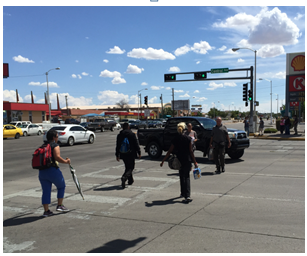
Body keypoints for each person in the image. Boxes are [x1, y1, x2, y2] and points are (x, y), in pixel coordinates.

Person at [160, 122, 198, 203]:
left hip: (179, 160)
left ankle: (182, 192)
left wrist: (163, 160)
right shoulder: (188, 138)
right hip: (187, 159)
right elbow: (191, 151)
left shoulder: (175, 138)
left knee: (181, 176)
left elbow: (170, 150)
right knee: (187, 177)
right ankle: (187, 195)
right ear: (184, 129)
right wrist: (195, 162)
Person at [39, 129, 71, 217]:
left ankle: (46, 211)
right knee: (61, 186)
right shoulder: (55, 145)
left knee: (46, 191)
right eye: (57, 136)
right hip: (52, 170)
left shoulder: (43, 146)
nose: (58, 138)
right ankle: (60, 205)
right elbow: (57, 157)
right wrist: (66, 161)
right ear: (53, 138)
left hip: (42, 172)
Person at [116, 122, 141, 189]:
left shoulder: (119, 135)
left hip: (123, 153)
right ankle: (124, 177)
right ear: (128, 127)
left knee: (127, 167)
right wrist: (139, 152)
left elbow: (118, 146)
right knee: (131, 167)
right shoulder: (132, 134)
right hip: (131, 153)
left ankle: (130, 181)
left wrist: (117, 155)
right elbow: (136, 144)